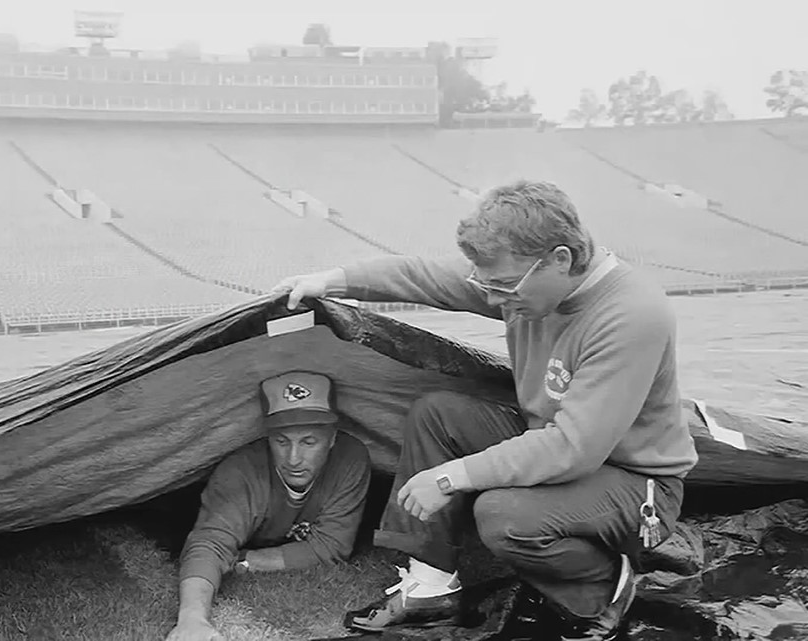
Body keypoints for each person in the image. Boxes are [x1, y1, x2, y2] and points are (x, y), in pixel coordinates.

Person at [272, 180, 698, 641]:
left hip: (634, 482)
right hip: (557, 439)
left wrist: (451, 476)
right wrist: (330, 280)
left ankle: (601, 587)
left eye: (503, 287)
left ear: (561, 259)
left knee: (502, 516)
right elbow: (423, 275)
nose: (493, 300)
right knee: (439, 414)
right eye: (485, 285)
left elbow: (575, 448)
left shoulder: (632, 315)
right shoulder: (526, 281)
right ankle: (431, 587)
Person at [165, 371, 372, 641]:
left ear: (332, 438)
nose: (294, 458)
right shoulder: (240, 472)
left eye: (309, 442)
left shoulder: (350, 458)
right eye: (282, 441)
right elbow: (210, 544)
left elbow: (331, 548)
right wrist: (192, 621)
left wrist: (245, 561)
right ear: (267, 438)